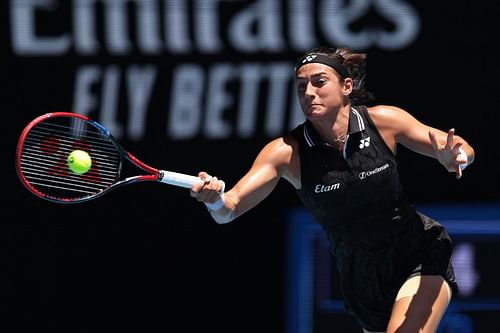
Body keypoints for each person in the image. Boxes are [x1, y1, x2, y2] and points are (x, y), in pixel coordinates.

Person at [190, 46, 475, 333]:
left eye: (319, 82)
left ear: (346, 86)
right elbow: (231, 207)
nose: (309, 92)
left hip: (418, 254)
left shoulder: (384, 121)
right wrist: (214, 200)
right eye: (301, 86)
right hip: (362, 283)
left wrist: (455, 156)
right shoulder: (286, 153)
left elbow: (454, 146)